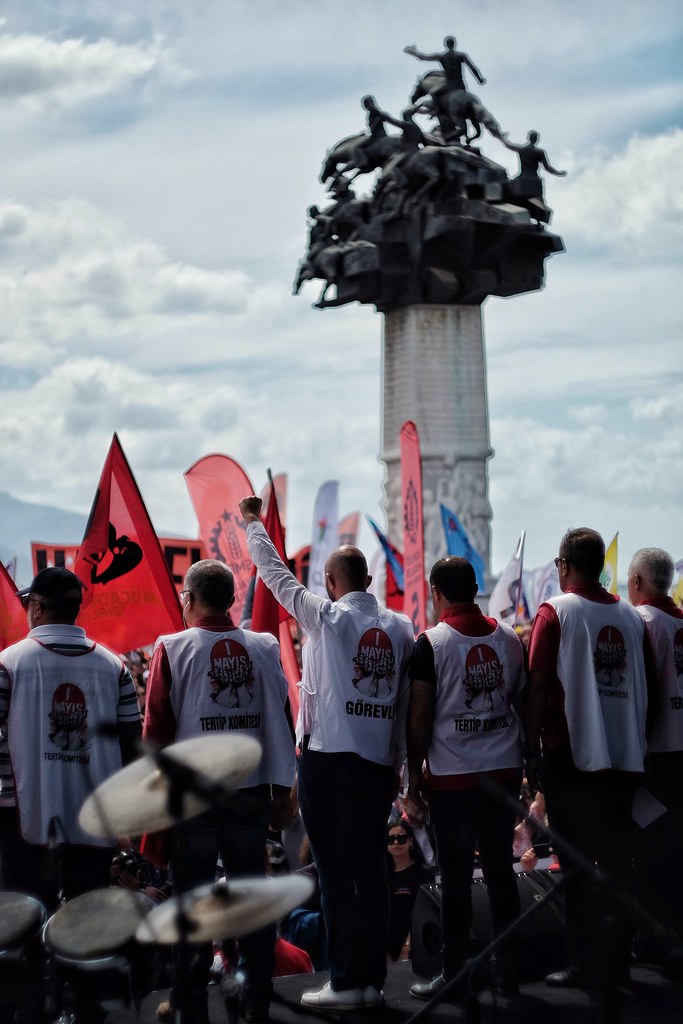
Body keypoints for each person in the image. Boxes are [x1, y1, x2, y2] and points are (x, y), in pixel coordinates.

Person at [240, 494, 415, 1011]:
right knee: (372, 873)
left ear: (334, 584)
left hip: (328, 765)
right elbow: (404, 711)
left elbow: (273, 573)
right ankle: (370, 982)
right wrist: (401, 771)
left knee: (335, 876)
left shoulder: (327, 618)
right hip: (378, 765)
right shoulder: (402, 629)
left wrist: (253, 522)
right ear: (369, 581)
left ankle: (343, 982)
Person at [143, 559, 296, 1024]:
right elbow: (281, 718)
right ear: (231, 599)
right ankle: (257, 1001)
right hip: (250, 793)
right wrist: (281, 787)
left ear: (188, 600)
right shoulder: (264, 646)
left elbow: (155, 734)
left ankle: (191, 1006)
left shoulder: (172, 648)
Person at [525, 528, 651, 992]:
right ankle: (617, 962)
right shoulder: (631, 616)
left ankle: (585, 963)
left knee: (575, 867)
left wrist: (529, 749)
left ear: (563, 566)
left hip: (571, 759)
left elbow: (537, 684)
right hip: (625, 759)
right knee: (618, 865)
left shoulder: (555, 612)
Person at [406, 556, 526, 1000]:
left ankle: (454, 974)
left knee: (454, 876)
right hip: (504, 770)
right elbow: (518, 698)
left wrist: (413, 773)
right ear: (475, 589)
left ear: (436, 593)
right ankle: (508, 970)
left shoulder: (431, 643)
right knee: (501, 871)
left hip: (452, 778)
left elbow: (418, 716)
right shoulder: (511, 638)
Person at [0, 567, 141, 910]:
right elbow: (133, 748)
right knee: (85, 927)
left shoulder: (8, 663)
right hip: (94, 826)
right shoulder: (115, 667)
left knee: (25, 922)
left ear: (36, 607)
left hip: (21, 821)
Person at [627, 548, 683, 947]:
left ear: (637, 583)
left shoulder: (643, 621)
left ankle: (653, 938)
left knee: (651, 855)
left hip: (657, 752)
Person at [386, 820, 432, 962]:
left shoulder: (423, 873)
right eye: (390, 839)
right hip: (386, 948)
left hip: (416, 945)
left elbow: (423, 913)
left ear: (411, 842)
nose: (396, 843)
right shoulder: (383, 875)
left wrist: (407, 949)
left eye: (401, 838)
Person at [404, 36, 486, 94]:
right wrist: (479, 79)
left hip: (449, 85)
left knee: (433, 93)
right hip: (461, 86)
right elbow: (472, 68)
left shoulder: (441, 56)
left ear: (445, 45)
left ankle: (434, 113)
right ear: (454, 44)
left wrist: (412, 52)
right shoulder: (461, 55)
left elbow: (423, 57)